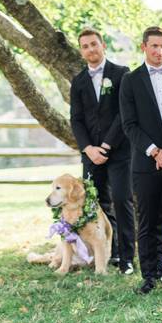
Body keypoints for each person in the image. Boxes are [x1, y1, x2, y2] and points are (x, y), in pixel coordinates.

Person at [69, 27, 135, 274]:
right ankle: (105, 253)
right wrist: (88, 149)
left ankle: (127, 257)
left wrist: (106, 146)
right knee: (97, 204)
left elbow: (124, 113)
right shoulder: (79, 81)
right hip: (91, 155)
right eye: (85, 46)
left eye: (94, 44)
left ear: (103, 45)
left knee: (122, 200)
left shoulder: (121, 74)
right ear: (81, 51)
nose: (90, 49)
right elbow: (76, 119)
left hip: (118, 152)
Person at [120, 26, 162, 293]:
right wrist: (156, 151)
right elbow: (129, 125)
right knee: (148, 221)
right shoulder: (130, 81)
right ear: (144, 47)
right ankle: (151, 274)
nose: (159, 51)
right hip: (145, 163)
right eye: (154, 46)